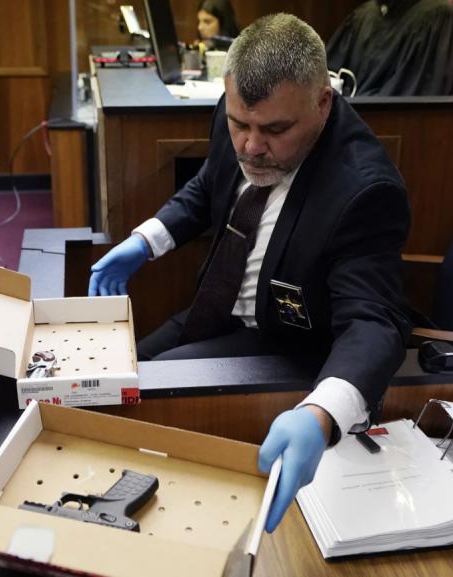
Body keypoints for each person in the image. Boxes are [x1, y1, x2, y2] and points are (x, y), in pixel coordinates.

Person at [88, 13, 413, 532]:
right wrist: (144, 240)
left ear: (323, 102)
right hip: (213, 307)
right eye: (240, 125)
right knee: (102, 388)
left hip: (281, 343)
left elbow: (375, 322)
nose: (251, 146)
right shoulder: (238, 110)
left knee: (135, 402)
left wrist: (321, 414)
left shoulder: (364, 189)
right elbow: (208, 185)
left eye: (275, 130)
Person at [326, 0, 453, 96]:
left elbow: (407, 103)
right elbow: (326, 74)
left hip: (380, 127)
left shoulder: (436, 17)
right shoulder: (364, 14)